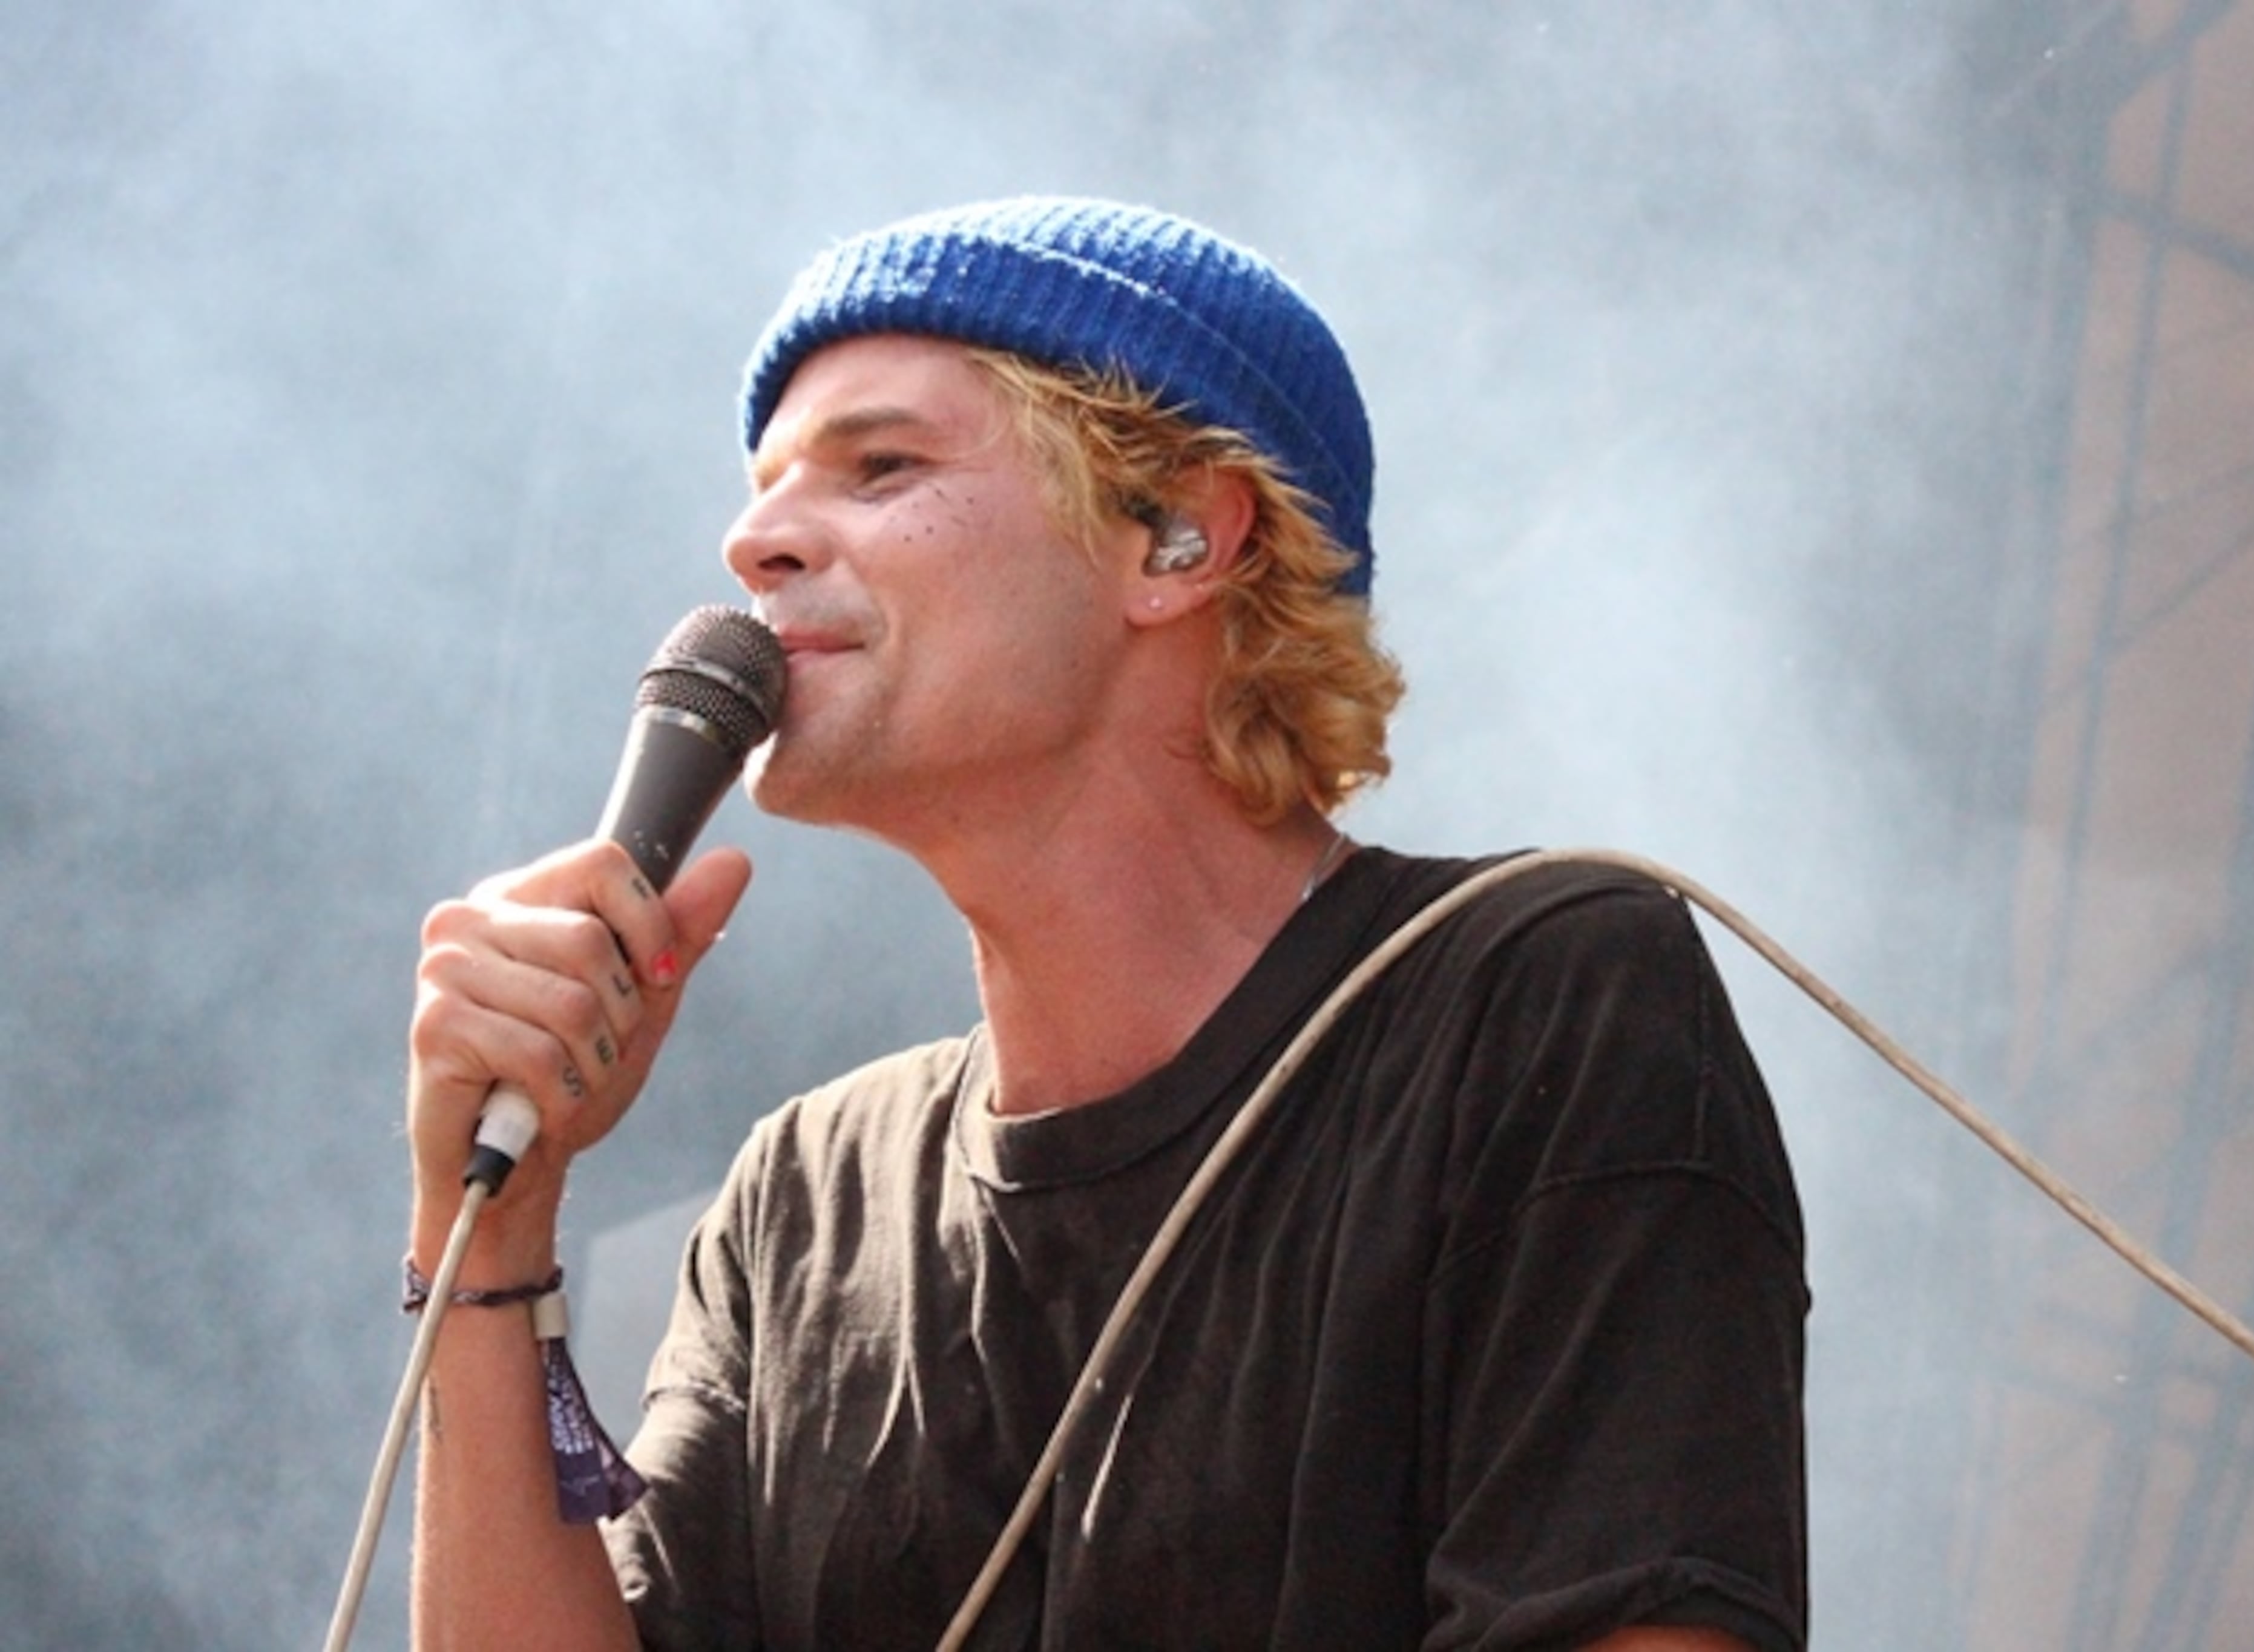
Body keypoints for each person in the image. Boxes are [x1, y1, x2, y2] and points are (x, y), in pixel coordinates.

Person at [403, 197, 1809, 1651]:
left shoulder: (1537, 992)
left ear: (1180, 539)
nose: (753, 540)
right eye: (761, 488)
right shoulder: (804, 1201)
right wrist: (485, 1229)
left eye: (882, 467)